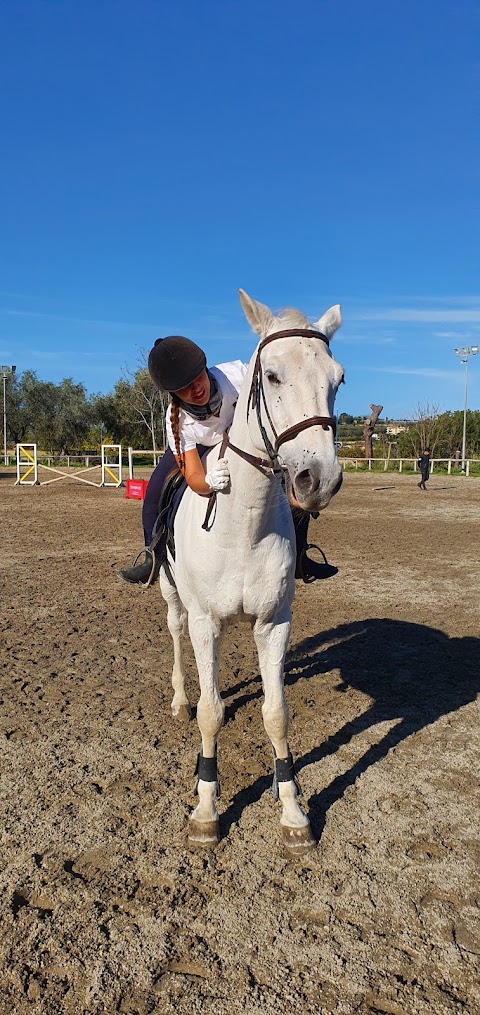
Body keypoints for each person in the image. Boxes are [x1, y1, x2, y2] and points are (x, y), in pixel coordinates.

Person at [118, 335, 337, 586]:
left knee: (296, 483)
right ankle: (152, 558)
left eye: (197, 377)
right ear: (173, 394)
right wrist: (208, 483)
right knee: (156, 491)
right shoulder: (176, 420)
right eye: (184, 388)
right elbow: (194, 478)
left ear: (205, 367)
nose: (196, 389)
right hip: (199, 447)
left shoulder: (237, 375)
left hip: (241, 439)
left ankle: (299, 555)